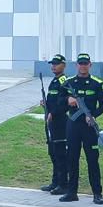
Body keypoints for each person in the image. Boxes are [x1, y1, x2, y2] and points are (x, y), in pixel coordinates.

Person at [60, 53, 103, 205]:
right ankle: (71, 192)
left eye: (85, 63)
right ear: (76, 65)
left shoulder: (97, 84)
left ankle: (97, 193)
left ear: (90, 65)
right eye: (80, 63)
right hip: (73, 126)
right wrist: (69, 99)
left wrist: (93, 115)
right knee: (72, 159)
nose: (83, 66)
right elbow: (59, 102)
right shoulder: (68, 83)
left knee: (93, 160)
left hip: (88, 127)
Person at [40, 54, 70, 194]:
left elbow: (64, 102)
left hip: (60, 121)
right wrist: (45, 105)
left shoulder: (64, 81)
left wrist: (53, 112)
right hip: (52, 121)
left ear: (63, 65)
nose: (53, 66)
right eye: (52, 63)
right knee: (52, 152)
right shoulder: (54, 81)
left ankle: (63, 184)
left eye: (56, 63)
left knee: (60, 154)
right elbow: (53, 100)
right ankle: (55, 182)